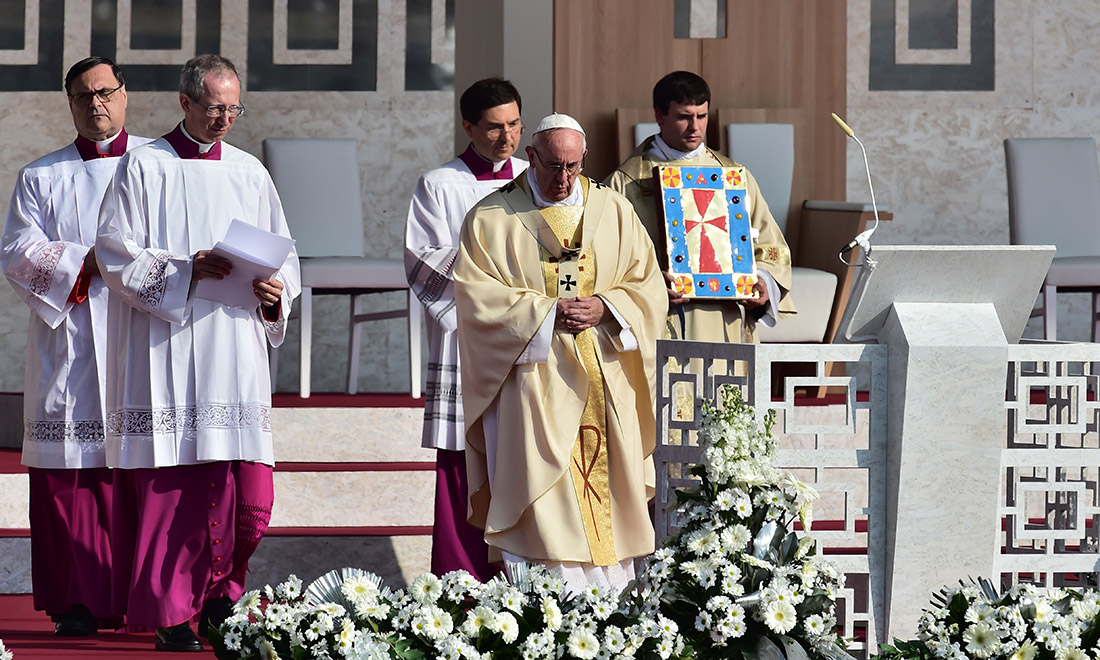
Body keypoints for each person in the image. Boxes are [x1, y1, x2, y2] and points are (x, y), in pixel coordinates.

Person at [95, 54, 300, 652]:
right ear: (184, 102)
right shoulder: (143, 167)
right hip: (169, 348)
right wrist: (185, 271)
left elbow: (284, 255)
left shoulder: (250, 172)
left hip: (234, 349)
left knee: (250, 496)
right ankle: (168, 612)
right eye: (214, 107)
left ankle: (220, 599)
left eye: (234, 108)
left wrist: (272, 293)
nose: (225, 119)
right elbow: (114, 253)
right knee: (176, 484)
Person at [454, 114, 667, 593]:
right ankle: (548, 608)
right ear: (531, 157)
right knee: (543, 498)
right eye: (553, 165)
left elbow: (648, 287)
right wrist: (547, 313)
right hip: (534, 380)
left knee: (609, 497)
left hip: (604, 375)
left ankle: (614, 609)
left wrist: (606, 305)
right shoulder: (492, 218)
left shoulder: (614, 210)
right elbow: (475, 299)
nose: (563, 177)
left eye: (573, 166)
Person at [0, 56, 151, 638]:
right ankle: (77, 602)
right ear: (70, 104)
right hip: (73, 338)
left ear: (124, 95)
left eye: (106, 92)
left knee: (137, 469)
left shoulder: (157, 169)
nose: (97, 104)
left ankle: (139, 595)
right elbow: (17, 251)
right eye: (84, 96)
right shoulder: (41, 176)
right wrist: (80, 264)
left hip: (140, 334)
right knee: (70, 475)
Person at [405, 78, 528, 581]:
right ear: (468, 126)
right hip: (468, 346)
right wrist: (497, 274)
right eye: (495, 128)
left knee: (524, 463)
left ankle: (522, 588)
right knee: (462, 470)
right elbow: (423, 265)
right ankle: (460, 591)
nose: (508, 138)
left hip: (528, 343)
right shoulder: (440, 185)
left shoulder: (532, 178)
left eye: (516, 124)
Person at [606, 71, 795, 343]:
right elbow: (606, 260)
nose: (695, 127)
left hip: (725, 319)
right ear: (660, 116)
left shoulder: (734, 177)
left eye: (702, 116)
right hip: (661, 318)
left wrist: (763, 281)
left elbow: (770, 246)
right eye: (684, 117)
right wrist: (648, 284)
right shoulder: (625, 184)